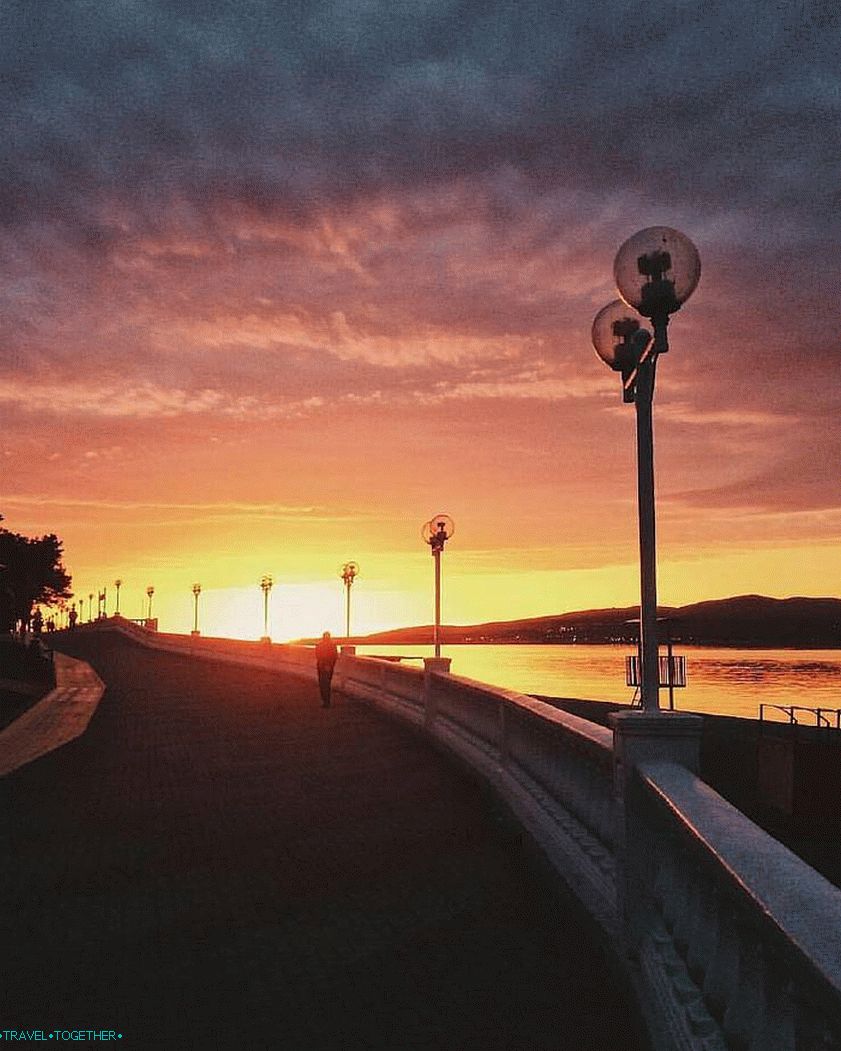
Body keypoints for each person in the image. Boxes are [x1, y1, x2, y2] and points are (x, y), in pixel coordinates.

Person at [315, 631, 339, 708]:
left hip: (322, 667)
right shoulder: (332, 646)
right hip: (326, 667)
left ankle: (326, 701)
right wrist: (330, 665)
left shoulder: (320, 645)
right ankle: (326, 701)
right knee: (326, 684)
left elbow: (318, 656)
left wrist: (327, 665)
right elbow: (335, 656)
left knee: (323, 684)